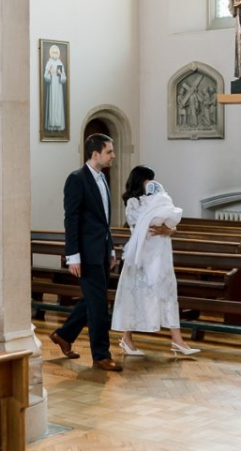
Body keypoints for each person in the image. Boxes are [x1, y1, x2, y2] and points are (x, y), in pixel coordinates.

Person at [49, 133, 122, 371]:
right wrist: (73, 256)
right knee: (99, 304)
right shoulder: (76, 179)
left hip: (101, 251)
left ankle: (64, 335)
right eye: (109, 151)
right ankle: (101, 355)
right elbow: (71, 220)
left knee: (94, 299)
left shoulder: (102, 179)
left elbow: (103, 222)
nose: (113, 155)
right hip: (86, 254)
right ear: (95, 154)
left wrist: (110, 249)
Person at [111, 165, 200, 357]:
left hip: (161, 253)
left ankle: (178, 341)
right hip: (142, 256)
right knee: (134, 295)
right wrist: (161, 215)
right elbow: (145, 222)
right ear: (140, 180)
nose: (150, 184)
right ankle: (127, 339)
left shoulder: (157, 198)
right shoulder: (133, 203)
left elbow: (169, 222)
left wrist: (170, 229)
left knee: (168, 294)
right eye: (147, 180)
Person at [43, 44, 67, 132]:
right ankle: (52, 126)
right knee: (52, 104)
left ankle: (58, 125)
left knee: (58, 105)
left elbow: (64, 79)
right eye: (54, 52)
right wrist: (49, 72)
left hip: (59, 88)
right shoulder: (49, 63)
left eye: (56, 52)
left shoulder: (60, 63)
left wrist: (60, 74)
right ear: (51, 53)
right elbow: (46, 78)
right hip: (52, 87)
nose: (55, 54)